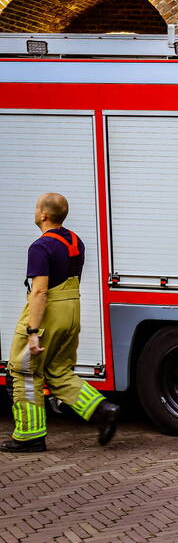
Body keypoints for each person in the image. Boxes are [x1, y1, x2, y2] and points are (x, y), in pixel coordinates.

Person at [2, 193, 120, 452]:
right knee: (59, 371)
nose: (34, 212)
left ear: (43, 214)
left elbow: (40, 291)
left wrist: (32, 332)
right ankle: (102, 409)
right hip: (72, 310)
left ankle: (29, 436)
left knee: (24, 371)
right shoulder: (75, 241)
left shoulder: (40, 247)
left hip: (49, 314)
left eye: (36, 208)